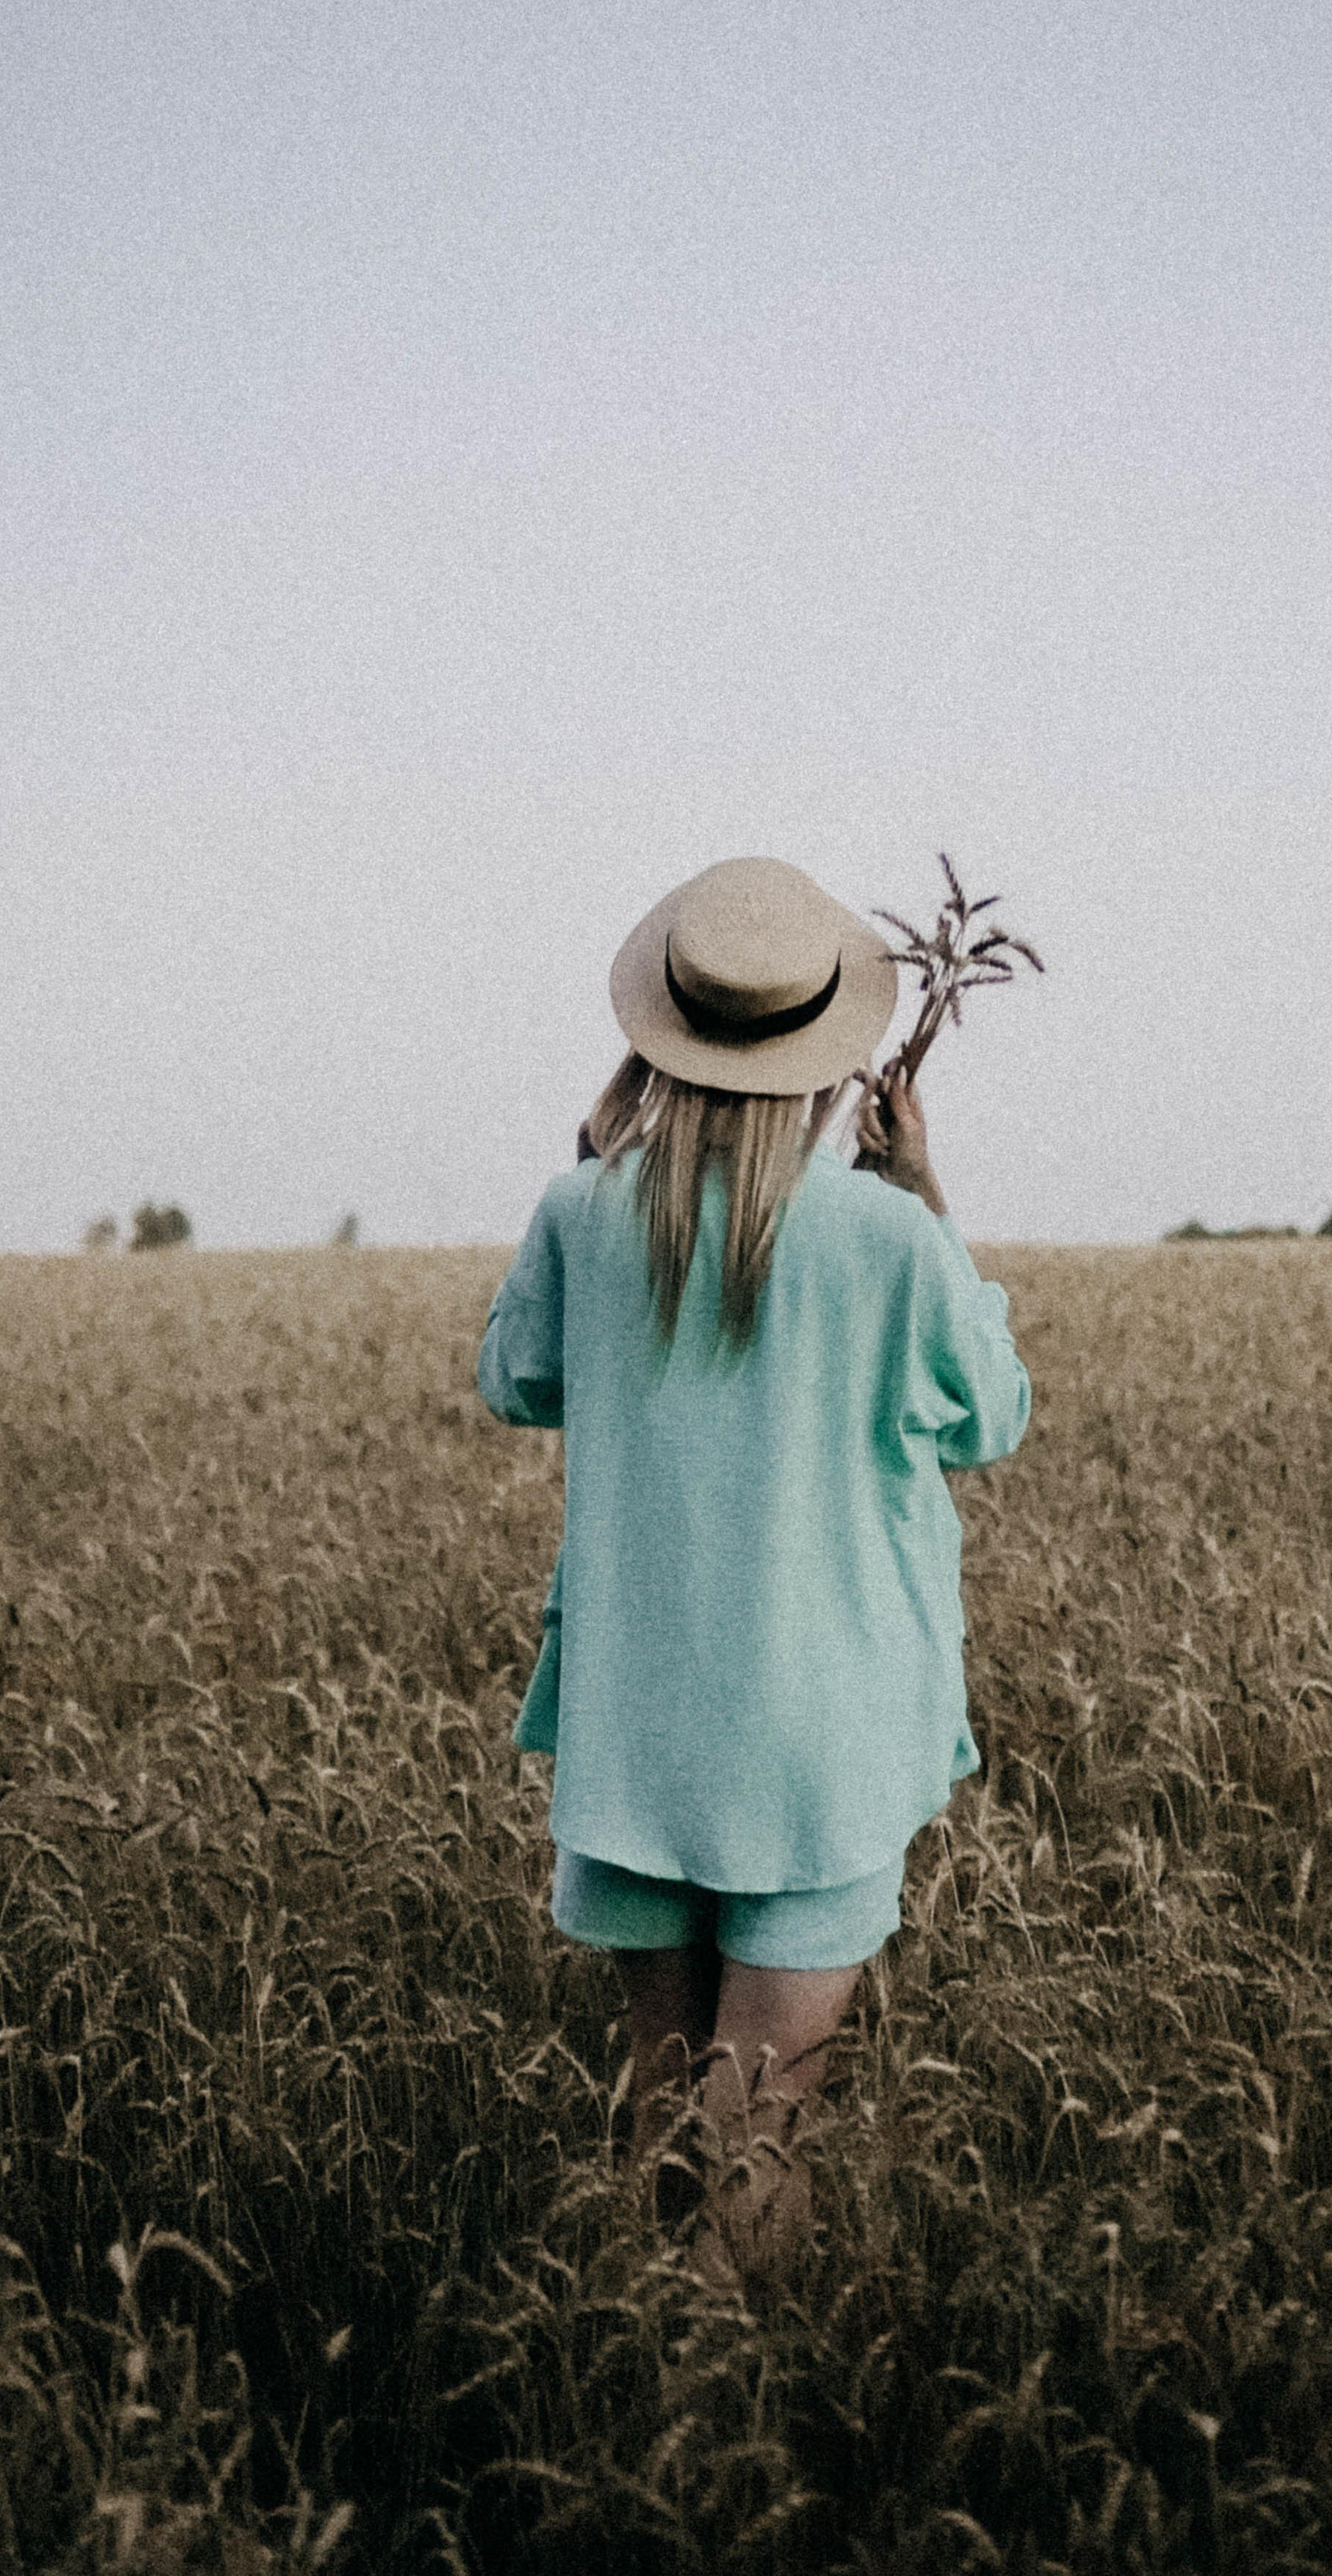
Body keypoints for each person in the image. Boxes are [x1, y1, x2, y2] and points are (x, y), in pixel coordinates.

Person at [475, 855, 1031, 2291]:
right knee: (764, 2125)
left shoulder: (583, 1213)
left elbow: (517, 1381)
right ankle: (723, 2438)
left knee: (660, 2105)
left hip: (635, 1734)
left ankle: (618, 2399)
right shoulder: (885, 1240)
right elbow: (991, 1418)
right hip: (814, 1750)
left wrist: (596, 1171)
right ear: (834, 1058)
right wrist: (927, 1194)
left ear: (661, 1036)